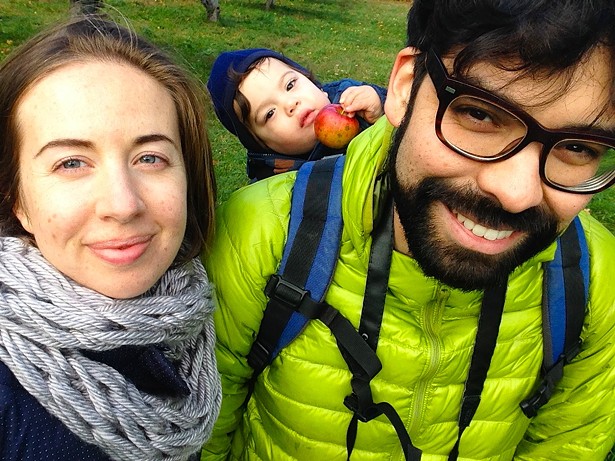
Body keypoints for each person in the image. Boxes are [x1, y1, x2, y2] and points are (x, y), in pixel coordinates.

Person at [202, 0, 615, 459]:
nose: (517, 193)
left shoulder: (598, 281)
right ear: (403, 88)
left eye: (578, 146)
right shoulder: (262, 234)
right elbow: (207, 428)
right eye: (479, 113)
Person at [0, 14, 221, 461]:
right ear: (16, 198)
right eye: (71, 163)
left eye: (150, 157)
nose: (122, 205)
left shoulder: (192, 319)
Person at [207, 48, 387, 180]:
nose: (290, 104)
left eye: (290, 85)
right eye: (270, 113)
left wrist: (382, 110)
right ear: (262, 145)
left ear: (311, 81)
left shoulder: (355, 105)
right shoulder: (275, 184)